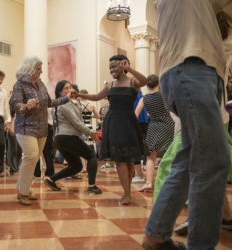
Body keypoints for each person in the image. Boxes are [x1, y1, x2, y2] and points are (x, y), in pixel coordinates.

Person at [142, 1, 231, 249]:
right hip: (191, 68)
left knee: (189, 158)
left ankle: (156, 235)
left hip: (194, 70)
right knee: (214, 159)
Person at [75, 54, 147, 205]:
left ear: (123, 65)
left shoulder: (132, 82)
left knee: (129, 160)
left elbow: (144, 81)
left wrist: (130, 68)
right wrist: (79, 94)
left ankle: (127, 192)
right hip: (113, 123)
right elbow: (96, 96)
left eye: (114, 66)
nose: (111, 70)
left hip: (128, 123)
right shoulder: (110, 85)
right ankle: (127, 193)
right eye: (110, 67)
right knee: (120, 160)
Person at [11, 56, 70, 206]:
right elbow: (16, 104)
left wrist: (66, 98)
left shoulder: (40, 83)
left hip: (42, 128)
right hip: (25, 127)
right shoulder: (19, 85)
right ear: (30, 68)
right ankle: (22, 192)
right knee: (30, 157)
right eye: (38, 69)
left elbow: (49, 103)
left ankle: (25, 188)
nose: (41, 71)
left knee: (33, 160)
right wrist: (26, 106)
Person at [44, 80, 102, 194]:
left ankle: (51, 180)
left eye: (70, 88)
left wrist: (76, 106)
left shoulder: (65, 103)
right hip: (66, 137)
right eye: (66, 88)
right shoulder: (64, 103)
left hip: (61, 138)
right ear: (60, 91)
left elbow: (76, 119)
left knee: (76, 166)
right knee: (91, 156)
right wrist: (90, 133)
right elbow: (76, 122)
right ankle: (92, 186)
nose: (69, 90)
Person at [135, 74, 174, 192]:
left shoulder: (143, 98)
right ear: (158, 83)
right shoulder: (164, 95)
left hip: (153, 125)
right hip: (168, 124)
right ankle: (171, 182)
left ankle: (148, 183)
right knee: (170, 152)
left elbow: (135, 116)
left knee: (150, 156)